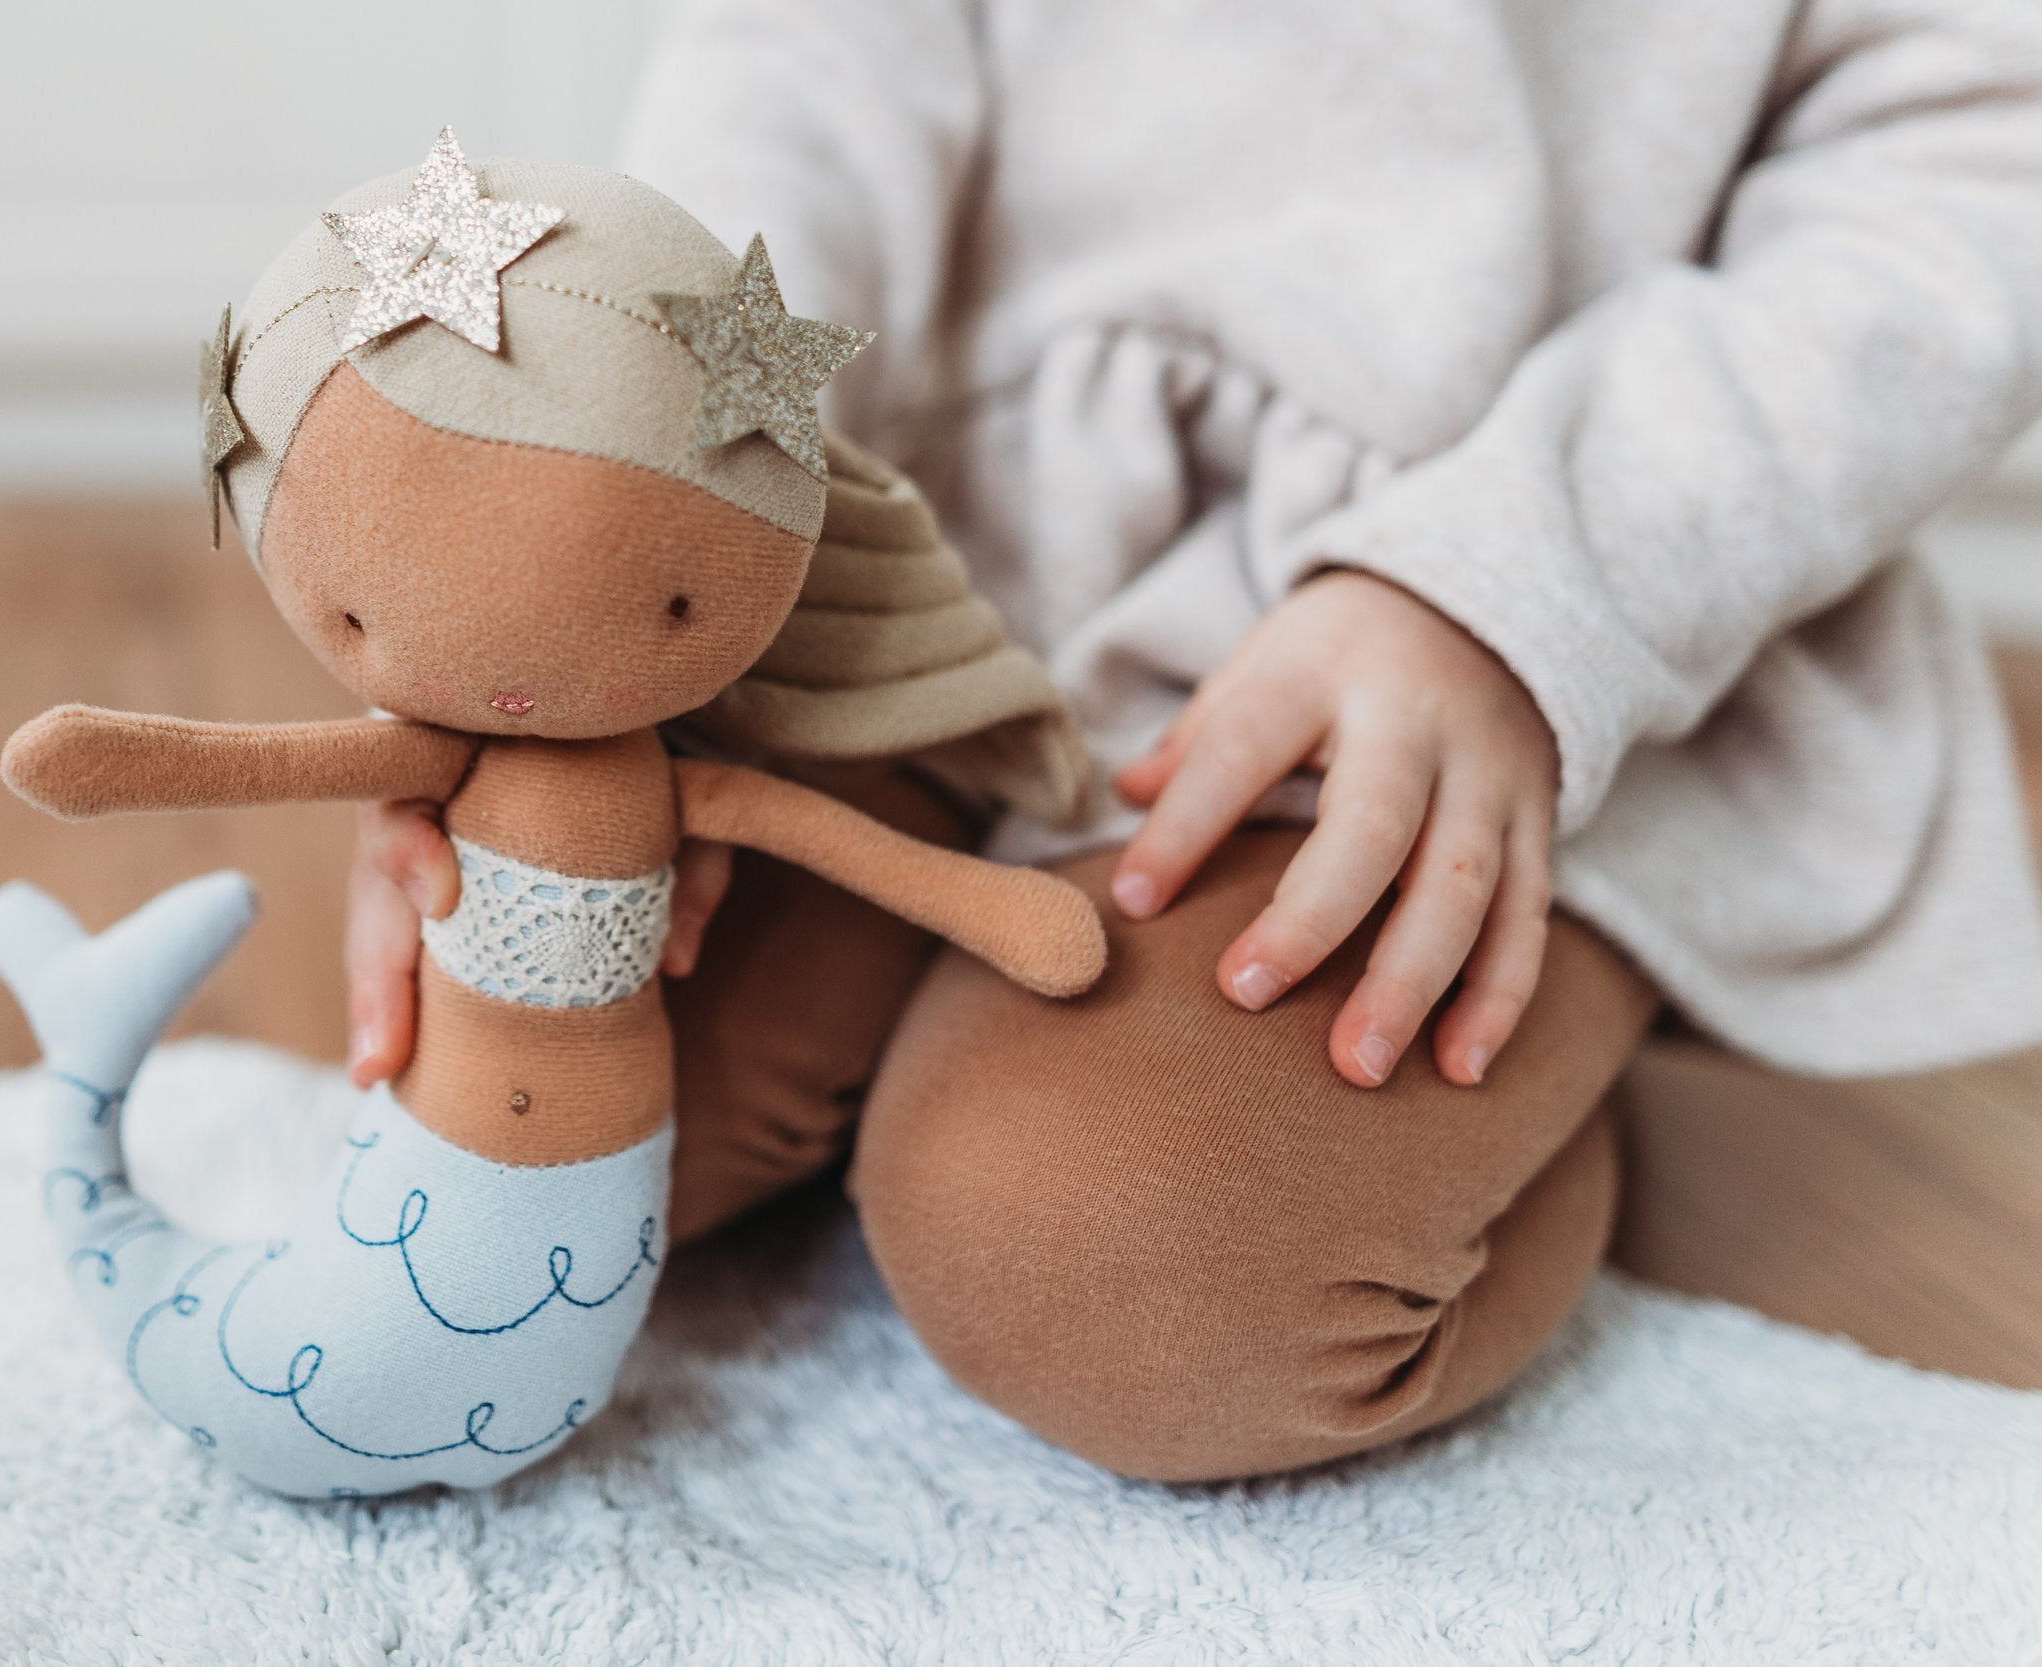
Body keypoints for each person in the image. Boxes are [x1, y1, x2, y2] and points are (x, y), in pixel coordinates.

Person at [344, 0, 2042, 1481]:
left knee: (1124, 1253)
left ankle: (1533, 1062)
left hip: (1496, 615)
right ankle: (934, 1025)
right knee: (502, 1080)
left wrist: (1520, 588)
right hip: (940, 574)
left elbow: (1972, 163)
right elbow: (801, 57)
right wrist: (634, 500)